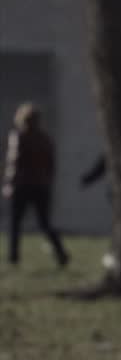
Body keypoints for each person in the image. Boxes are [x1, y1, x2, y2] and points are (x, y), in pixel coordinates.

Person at [4, 103, 69, 268]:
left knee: (15, 223)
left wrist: (9, 183)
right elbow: (51, 165)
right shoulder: (45, 139)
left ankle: (13, 258)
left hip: (23, 185)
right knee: (44, 223)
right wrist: (47, 181)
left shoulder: (19, 137)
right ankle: (60, 253)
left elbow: (14, 162)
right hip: (41, 186)